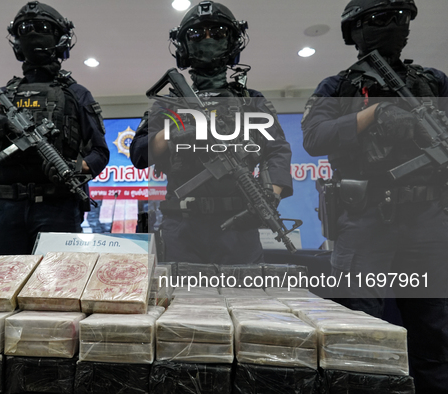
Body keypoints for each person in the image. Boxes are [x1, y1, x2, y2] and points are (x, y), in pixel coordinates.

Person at [302, 0, 448, 390]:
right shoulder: (338, 87)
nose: (395, 26)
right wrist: (375, 115)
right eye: (381, 19)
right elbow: (314, 138)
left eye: (401, 17)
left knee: (435, 336)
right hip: (366, 221)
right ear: (355, 30)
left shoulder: (433, 82)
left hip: (428, 223)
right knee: (359, 334)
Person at [130, 1, 292, 266]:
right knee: (182, 305)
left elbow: (278, 150)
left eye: (217, 32)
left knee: (246, 304)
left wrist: (270, 194)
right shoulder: (169, 104)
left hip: (239, 227)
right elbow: (139, 154)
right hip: (181, 228)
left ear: (232, 42)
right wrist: (174, 132)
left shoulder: (251, 100)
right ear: (183, 46)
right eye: (197, 34)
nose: (207, 39)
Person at [0, 1, 109, 255]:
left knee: (57, 288)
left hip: (57, 205)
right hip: (3, 206)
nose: (32, 33)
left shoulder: (76, 94)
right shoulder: (2, 96)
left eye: (42, 27)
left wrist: (72, 167)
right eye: (24, 29)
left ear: (60, 40)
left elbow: (100, 154)